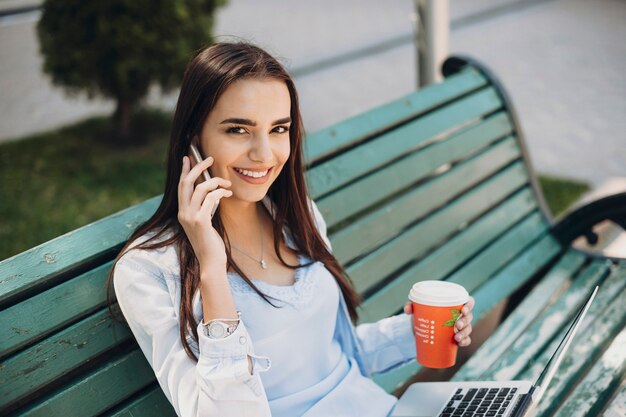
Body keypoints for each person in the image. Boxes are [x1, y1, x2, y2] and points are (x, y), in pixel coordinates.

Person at [107, 41, 475, 417]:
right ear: (194, 137)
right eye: (238, 129)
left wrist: (418, 331)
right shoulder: (149, 269)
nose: (264, 154)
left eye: (278, 129)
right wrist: (212, 270)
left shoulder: (297, 219)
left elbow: (332, 358)